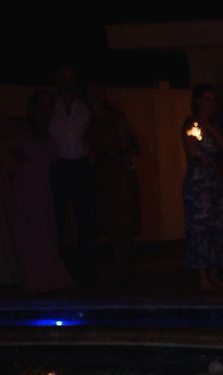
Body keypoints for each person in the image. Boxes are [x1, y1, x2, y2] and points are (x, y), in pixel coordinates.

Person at [10, 90, 74, 293]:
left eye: (48, 106)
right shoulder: (21, 129)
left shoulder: (55, 131)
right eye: (40, 105)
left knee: (46, 231)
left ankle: (50, 276)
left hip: (45, 190)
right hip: (24, 190)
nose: (43, 110)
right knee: (26, 233)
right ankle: (31, 278)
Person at [84, 80, 138, 282]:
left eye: (98, 91)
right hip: (102, 171)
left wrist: (126, 174)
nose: (95, 96)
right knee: (110, 219)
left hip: (117, 169)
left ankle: (126, 263)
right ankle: (118, 264)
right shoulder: (88, 120)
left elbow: (126, 147)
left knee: (124, 218)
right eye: (91, 92)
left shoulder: (114, 118)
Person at [182, 84, 223, 291]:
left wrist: (211, 128)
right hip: (198, 184)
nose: (211, 104)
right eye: (207, 99)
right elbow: (193, 152)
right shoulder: (190, 124)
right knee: (200, 229)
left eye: (214, 100)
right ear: (198, 101)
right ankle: (202, 276)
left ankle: (214, 273)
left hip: (214, 182)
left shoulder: (215, 125)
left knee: (216, 228)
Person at [49, 65, 96, 282]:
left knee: (84, 218)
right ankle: (56, 269)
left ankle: (87, 269)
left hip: (81, 164)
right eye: (62, 76)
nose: (67, 81)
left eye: (70, 76)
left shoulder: (85, 104)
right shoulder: (51, 105)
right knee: (57, 217)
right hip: (58, 165)